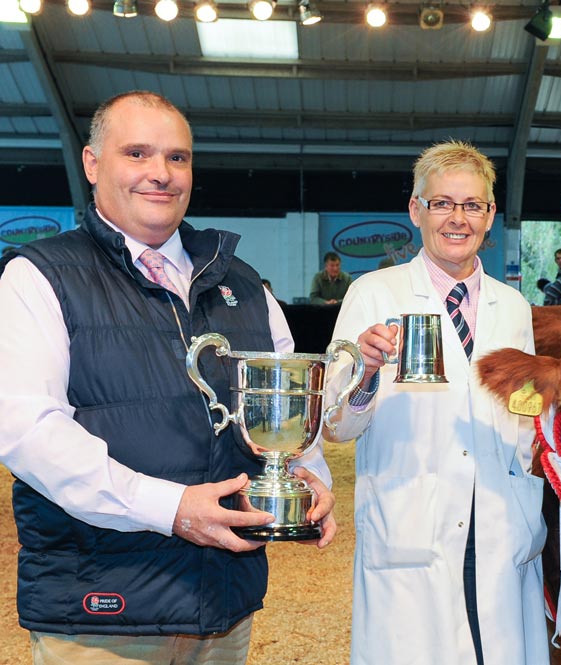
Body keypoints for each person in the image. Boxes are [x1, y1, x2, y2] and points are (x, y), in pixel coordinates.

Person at [0, 91, 336, 664]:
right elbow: (28, 432)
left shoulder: (246, 285)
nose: (160, 174)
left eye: (177, 158)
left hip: (223, 608)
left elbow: (289, 415)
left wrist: (306, 474)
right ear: (91, 163)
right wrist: (170, 508)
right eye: (137, 153)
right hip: (101, 614)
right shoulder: (38, 276)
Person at [323, 140, 547, 665]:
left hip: (499, 520)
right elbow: (336, 427)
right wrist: (366, 372)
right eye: (442, 203)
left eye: (472, 205)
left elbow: (525, 410)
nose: (457, 219)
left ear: (490, 216)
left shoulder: (513, 307)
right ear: (415, 210)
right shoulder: (374, 294)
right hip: (412, 527)